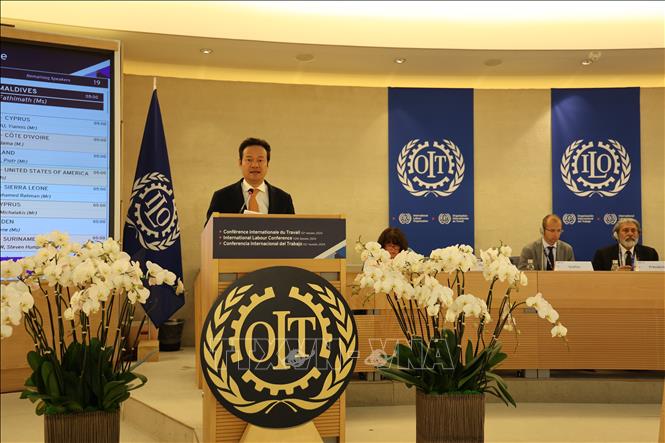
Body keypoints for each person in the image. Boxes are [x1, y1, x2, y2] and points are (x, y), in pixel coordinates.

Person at [206, 137, 295, 221]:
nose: (255, 165)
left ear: (267, 164)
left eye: (260, 160)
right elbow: (210, 230)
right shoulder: (221, 197)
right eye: (249, 160)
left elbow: (292, 229)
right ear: (240, 163)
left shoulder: (283, 199)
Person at [592, 218, 659, 271]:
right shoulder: (603, 254)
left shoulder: (650, 253)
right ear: (616, 235)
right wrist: (614, 275)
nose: (630, 234)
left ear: (638, 234)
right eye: (626, 230)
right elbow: (596, 278)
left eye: (633, 230)